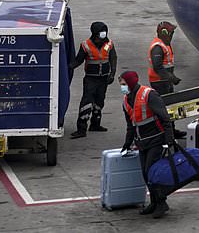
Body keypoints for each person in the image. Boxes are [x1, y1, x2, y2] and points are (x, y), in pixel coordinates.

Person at [119, 70, 173, 218]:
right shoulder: (126, 100)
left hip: (156, 138)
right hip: (142, 141)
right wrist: (127, 143)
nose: (122, 87)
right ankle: (154, 202)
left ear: (130, 83)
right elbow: (131, 125)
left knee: (152, 172)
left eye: (123, 84)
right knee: (145, 173)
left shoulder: (149, 94)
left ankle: (162, 203)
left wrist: (169, 140)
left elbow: (165, 118)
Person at [70, 21, 117, 138]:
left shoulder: (109, 44)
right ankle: (81, 129)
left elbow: (113, 58)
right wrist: (68, 67)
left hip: (103, 79)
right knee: (86, 103)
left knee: (99, 101)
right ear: (95, 34)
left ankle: (95, 124)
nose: (102, 38)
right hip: (91, 79)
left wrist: (112, 74)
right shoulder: (85, 45)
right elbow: (78, 60)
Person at [148, 21, 185, 139]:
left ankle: (171, 131)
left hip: (165, 81)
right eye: (171, 33)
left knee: (169, 107)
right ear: (164, 33)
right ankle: (166, 133)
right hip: (159, 82)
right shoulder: (157, 47)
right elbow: (158, 67)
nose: (173, 35)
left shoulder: (165, 44)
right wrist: (172, 78)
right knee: (164, 109)